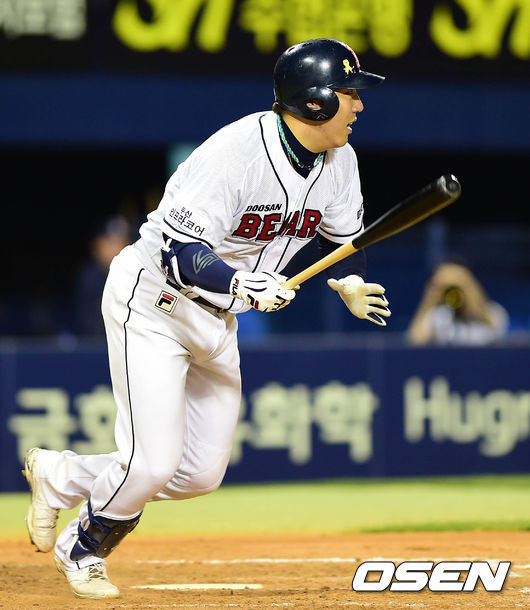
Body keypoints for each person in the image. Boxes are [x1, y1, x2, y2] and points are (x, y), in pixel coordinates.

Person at [22, 38, 391, 600]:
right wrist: (241, 282)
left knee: (198, 474)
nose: (359, 104)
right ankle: (84, 548)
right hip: (155, 301)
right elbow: (178, 251)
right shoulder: (236, 152)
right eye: (349, 93)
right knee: (151, 463)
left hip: (218, 319)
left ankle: (60, 475)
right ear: (314, 101)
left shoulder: (341, 162)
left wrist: (350, 280)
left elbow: (343, 242)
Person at [406, 258, 509, 346]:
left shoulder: (494, 312)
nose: (452, 293)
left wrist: (470, 294)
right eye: (446, 288)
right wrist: (431, 298)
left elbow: (495, 331)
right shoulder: (437, 316)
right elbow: (414, 341)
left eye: (456, 287)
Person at [73, 216, 133, 336]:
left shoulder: (137, 273)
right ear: (97, 246)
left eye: (122, 242)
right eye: (110, 243)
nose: (117, 248)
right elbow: (85, 323)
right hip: (93, 342)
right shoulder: (89, 276)